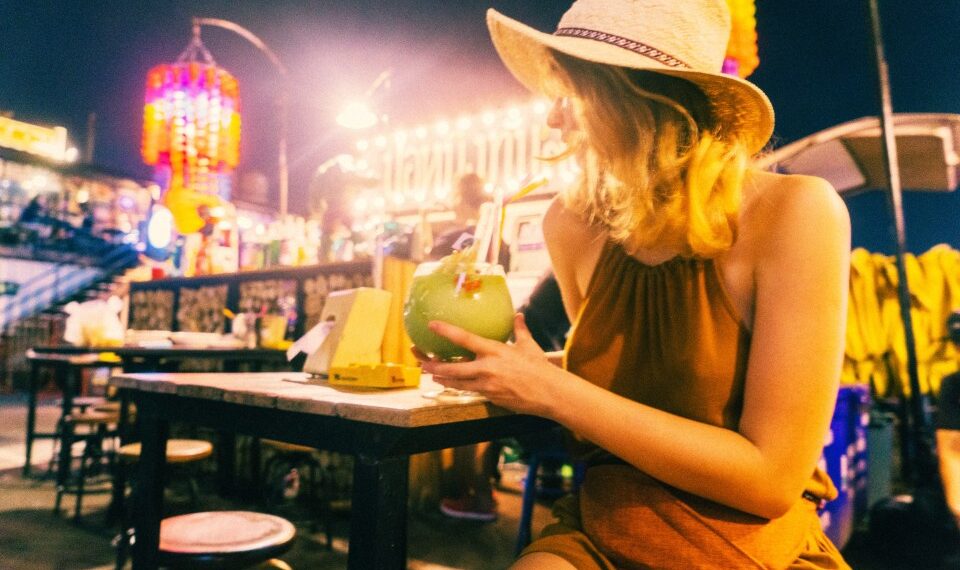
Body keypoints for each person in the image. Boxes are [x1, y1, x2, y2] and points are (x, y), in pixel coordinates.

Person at [418, 1, 852, 568]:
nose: (554, 121)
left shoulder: (794, 213)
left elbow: (770, 480)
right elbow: (619, 390)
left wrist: (552, 389)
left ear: (639, 99)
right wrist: (506, 365)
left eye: (572, 95)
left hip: (746, 540)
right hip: (607, 522)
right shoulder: (571, 226)